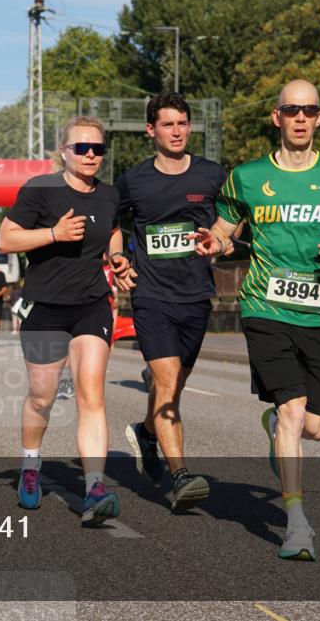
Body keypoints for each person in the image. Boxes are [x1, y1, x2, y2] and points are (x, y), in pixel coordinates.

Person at [192, 80, 320, 560]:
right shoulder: (247, 177)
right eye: (291, 109)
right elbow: (223, 231)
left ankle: (274, 422)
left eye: (309, 110)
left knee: (318, 428)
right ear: (276, 117)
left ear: (319, 118)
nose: (299, 117)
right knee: (295, 412)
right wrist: (213, 243)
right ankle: (297, 523)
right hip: (265, 307)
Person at [0, 116, 133, 526]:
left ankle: (94, 488)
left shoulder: (109, 195)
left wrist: (116, 256)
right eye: (82, 148)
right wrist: (53, 234)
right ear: (64, 151)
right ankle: (31, 464)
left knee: (92, 393)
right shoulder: (41, 190)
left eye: (98, 149)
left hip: (91, 303)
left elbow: (111, 231)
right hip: (44, 307)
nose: (90, 155)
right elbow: (6, 239)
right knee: (42, 396)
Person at [116, 92, 227, 512]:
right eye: (168, 124)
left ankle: (146, 433)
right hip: (152, 297)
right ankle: (181, 475)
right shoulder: (134, 180)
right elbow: (112, 222)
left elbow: (229, 225)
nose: (177, 131)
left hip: (196, 296)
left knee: (175, 386)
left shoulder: (212, 174)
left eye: (183, 123)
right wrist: (117, 257)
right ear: (151, 130)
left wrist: (219, 240)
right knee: (166, 383)